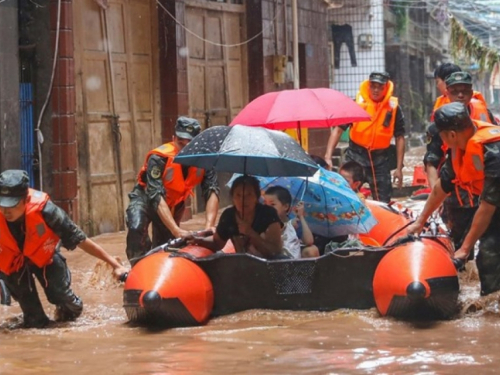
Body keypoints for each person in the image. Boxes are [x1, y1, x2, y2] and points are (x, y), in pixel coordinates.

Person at [0, 170, 128, 328]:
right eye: (3, 204)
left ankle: (72, 308)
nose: (6, 211)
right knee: (34, 322)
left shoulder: (47, 211)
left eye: (12, 204)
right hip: (14, 263)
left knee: (64, 303)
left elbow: (80, 239)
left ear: (26, 199)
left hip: (44, 256)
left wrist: (115, 265)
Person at [407, 103, 500, 296]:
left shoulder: (493, 151)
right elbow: (443, 186)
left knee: (490, 254)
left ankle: (492, 312)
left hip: (492, 203)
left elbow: (488, 206)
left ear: (451, 134)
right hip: (491, 203)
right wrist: (420, 221)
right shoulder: (460, 147)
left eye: (440, 134)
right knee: (485, 253)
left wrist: (465, 249)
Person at [125, 117, 220, 265]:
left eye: (190, 144)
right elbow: (155, 195)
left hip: (173, 204)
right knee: (136, 228)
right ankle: (137, 268)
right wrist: (176, 230)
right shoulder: (158, 158)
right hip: (145, 199)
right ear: (173, 138)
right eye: (180, 143)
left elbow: (212, 190)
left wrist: (209, 227)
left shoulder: (206, 160)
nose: (184, 148)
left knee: (165, 246)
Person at [423, 72, 497, 253]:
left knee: (487, 250)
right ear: (447, 93)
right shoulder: (440, 124)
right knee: (459, 243)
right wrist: (432, 204)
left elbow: (489, 203)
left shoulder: (486, 126)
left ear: (472, 93)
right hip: (458, 195)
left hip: (488, 192)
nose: (461, 96)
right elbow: (433, 164)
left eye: (465, 91)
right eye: (456, 91)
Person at [324, 71, 406, 202]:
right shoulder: (355, 103)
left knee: (383, 201)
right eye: (373, 86)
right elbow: (338, 130)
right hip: (355, 157)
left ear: (386, 88)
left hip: (380, 160)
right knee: (344, 196)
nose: (376, 90)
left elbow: (400, 137)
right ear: (368, 86)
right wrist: (328, 156)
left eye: (380, 87)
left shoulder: (394, 109)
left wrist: (399, 168)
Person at [191, 175, 283, 259]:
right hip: (242, 266)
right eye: (238, 195)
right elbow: (217, 243)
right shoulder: (229, 216)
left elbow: (275, 252)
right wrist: (198, 240)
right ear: (233, 198)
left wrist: (251, 233)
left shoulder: (268, 214)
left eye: (248, 195)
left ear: (257, 197)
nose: (243, 200)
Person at [263, 186, 320, 259]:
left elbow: (309, 241)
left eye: (272, 204)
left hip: (293, 262)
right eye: (265, 204)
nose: (267, 208)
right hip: (273, 261)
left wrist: (301, 216)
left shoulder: (293, 223)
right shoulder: (264, 223)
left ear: (286, 206)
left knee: (312, 249)